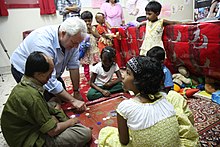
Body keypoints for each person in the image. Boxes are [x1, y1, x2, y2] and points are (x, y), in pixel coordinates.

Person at [98, 56, 199, 147]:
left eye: (128, 73)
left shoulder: (125, 107)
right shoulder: (165, 98)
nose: (123, 75)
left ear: (139, 81)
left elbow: (124, 141)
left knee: (107, 133)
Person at [1, 51, 92, 147]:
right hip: (26, 140)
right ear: (39, 75)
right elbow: (53, 131)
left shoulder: (25, 83)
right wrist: (71, 122)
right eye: (49, 74)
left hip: (17, 132)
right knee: (84, 133)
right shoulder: (32, 96)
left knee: (54, 102)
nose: (50, 77)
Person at [10, 17, 86, 111]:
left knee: (60, 98)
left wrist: (76, 91)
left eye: (78, 43)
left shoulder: (73, 40)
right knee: (44, 105)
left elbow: (74, 66)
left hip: (49, 71)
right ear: (63, 34)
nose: (76, 47)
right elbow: (50, 82)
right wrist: (73, 101)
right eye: (74, 43)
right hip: (23, 68)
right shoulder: (42, 42)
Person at [80, 11, 101, 82]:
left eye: (89, 21)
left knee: (96, 63)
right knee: (86, 65)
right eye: (85, 21)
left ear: (92, 20)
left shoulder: (93, 28)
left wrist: (91, 31)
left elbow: (98, 36)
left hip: (93, 49)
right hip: (85, 51)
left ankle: (96, 76)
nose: (87, 23)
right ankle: (88, 78)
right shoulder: (81, 29)